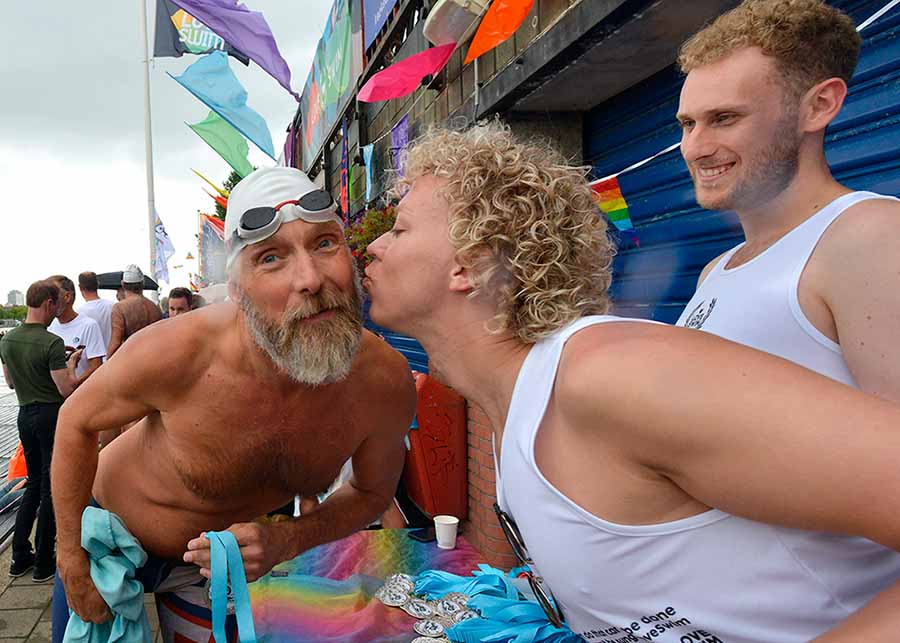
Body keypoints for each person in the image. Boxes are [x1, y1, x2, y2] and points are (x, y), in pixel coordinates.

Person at [363, 123, 900, 643]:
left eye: (400, 228)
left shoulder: (606, 374)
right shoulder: (519, 407)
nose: (374, 247)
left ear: (471, 264)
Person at [51, 167, 415, 642]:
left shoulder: (383, 382)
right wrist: (72, 559)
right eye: (271, 259)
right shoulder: (180, 352)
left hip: (213, 566)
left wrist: (290, 538)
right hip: (109, 542)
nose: (309, 279)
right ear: (238, 292)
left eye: (325, 244)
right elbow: (75, 420)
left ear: (351, 257)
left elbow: (371, 493)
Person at [675, 0, 900, 404]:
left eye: (724, 118)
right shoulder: (714, 272)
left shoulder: (872, 237)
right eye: (688, 124)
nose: (694, 149)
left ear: (819, 106)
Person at [0, 281, 82, 582]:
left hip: (24, 414)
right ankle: (45, 561)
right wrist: (71, 363)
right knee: (51, 487)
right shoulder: (51, 343)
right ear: (48, 303)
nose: (57, 311)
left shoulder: (7, 341)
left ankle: (19, 556)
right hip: (50, 415)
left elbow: (9, 383)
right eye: (56, 305)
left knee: (33, 483)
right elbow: (66, 388)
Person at [47, 275, 105, 384]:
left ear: (67, 297)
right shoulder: (49, 326)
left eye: (53, 295)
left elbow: (96, 366)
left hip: (81, 394)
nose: (48, 301)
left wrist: (73, 385)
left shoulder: (89, 325)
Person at [106, 265, 161, 358]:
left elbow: (116, 343)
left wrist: (107, 363)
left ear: (123, 284)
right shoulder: (155, 308)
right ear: (143, 283)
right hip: (153, 358)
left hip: (131, 359)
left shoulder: (119, 308)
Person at [76, 272, 114, 352]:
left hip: (92, 359)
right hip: (113, 356)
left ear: (80, 287)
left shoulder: (79, 313)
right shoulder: (113, 306)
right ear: (97, 284)